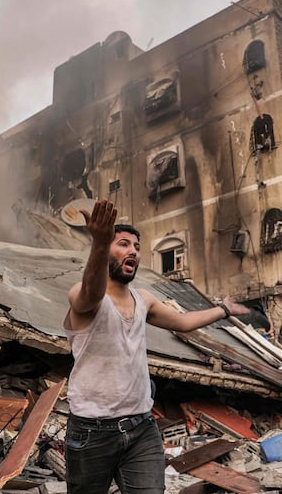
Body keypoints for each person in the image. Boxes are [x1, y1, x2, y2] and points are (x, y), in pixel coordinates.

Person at [63, 199, 249, 494]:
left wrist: (223, 310)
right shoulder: (82, 294)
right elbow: (91, 293)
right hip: (91, 431)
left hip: (141, 428)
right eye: (123, 244)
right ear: (105, 248)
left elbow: (184, 321)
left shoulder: (144, 299)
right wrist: (99, 242)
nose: (133, 252)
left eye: (136, 247)